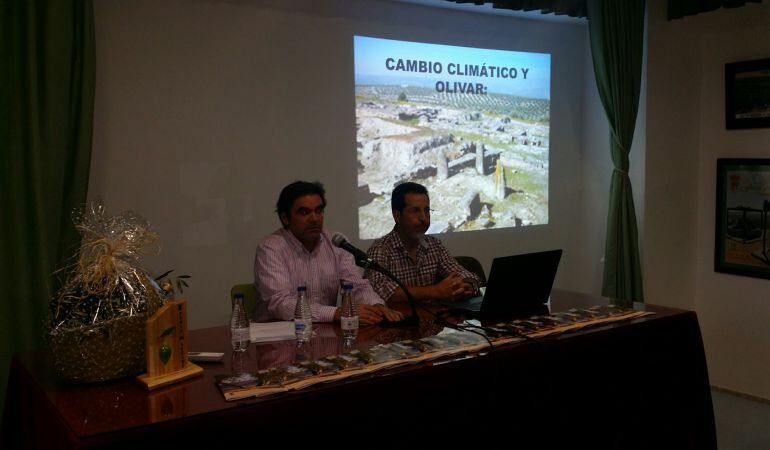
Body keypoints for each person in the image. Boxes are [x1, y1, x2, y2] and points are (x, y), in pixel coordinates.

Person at [254, 181, 403, 325]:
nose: (314, 219)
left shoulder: (336, 242)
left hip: (323, 334)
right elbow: (280, 303)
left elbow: (357, 285)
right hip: (279, 338)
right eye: (304, 212)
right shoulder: (271, 248)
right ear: (285, 218)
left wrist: (376, 306)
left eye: (318, 211)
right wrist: (336, 313)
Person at [365, 182, 481, 304]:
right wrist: (433, 291)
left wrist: (467, 284)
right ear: (397, 215)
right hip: (400, 321)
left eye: (426, 211)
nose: (424, 218)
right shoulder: (380, 250)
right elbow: (377, 289)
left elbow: (461, 273)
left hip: (433, 319)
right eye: (415, 211)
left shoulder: (434, 245)